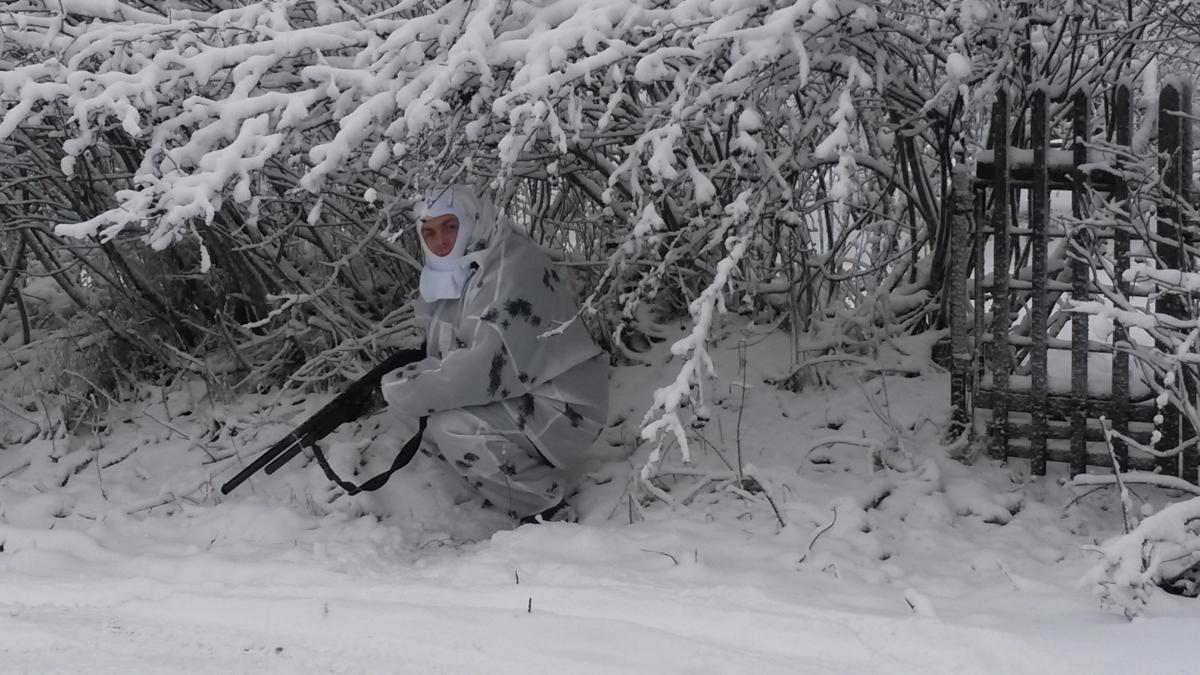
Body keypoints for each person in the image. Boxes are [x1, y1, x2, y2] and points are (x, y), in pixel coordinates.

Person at [380, 185, 610, 523]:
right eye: (429, 233)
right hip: (524, 393)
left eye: (450, 226)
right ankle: (503, 481)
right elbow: (444, 351)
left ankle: (544, 507)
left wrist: (400, 387)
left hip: (565, 405)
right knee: (412, 406)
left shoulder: (510, 266)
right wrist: (401, 388)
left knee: (449, 422)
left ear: (473, 220)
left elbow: (481, 368)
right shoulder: (457, 270)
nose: (441, 241)